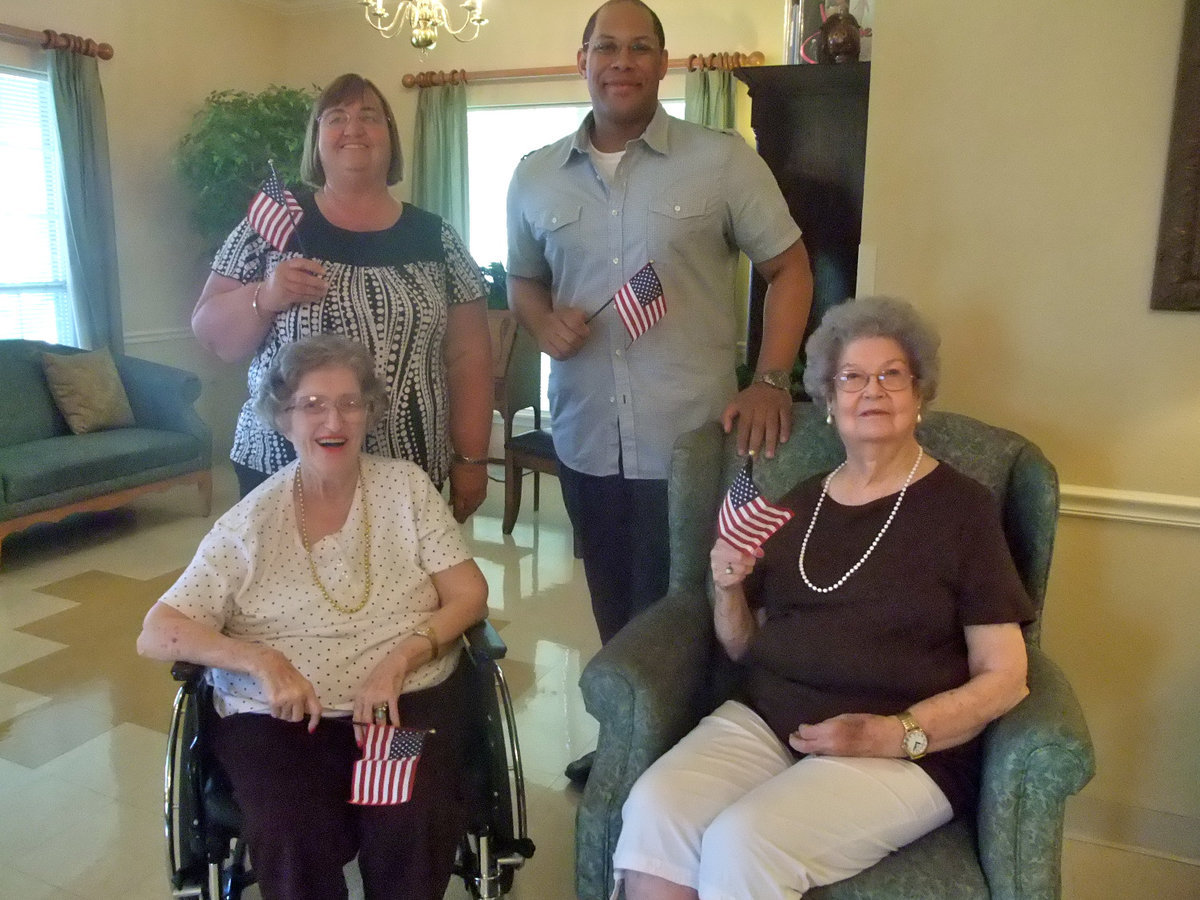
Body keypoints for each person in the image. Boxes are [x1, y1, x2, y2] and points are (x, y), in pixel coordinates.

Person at [613, 296, 1036, 899]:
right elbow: (741, 648)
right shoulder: (799, 503)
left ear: (919, 396)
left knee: (745, 842)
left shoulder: (962, 509)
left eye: (892, 375)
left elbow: (1007, 676)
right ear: (831, 403)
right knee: (656, 810)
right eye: (853, 378)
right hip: (768, 720)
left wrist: (893, 733)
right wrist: (728, 589)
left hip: (898, 751)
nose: (873, 391)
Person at [506, 0, 814, 650]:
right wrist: (540, 321)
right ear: (582, 61)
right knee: (613, 612)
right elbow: (523, 280)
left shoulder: (723, 161)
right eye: (607, 47)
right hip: (586, 438)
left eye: (640, 47)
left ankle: (679, 751)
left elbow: (790, 270)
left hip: (688, 444)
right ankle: (627, 744)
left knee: (691, 620)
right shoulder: (534, 175)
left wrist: (770, 379)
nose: (622, 61)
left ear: (663, 64)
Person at [137, 334, 488, 900]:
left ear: (369, 412)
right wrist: (259, 659)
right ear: (283, 417)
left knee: (406, 818)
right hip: (283, 719)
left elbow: (469, 595)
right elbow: (158, 630)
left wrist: (402, 657)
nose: (335, 419)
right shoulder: (252, 520)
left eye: (350, 402)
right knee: (294, 827)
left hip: (396, 706)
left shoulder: (406, 490)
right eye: (313, 404)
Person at [192, 73, 492, 522]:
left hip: (406, 475)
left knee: (400, 593)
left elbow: (470, 356)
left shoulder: (436, 236)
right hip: (280, 470)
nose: (353, 128)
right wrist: (266, 294)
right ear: (316, 141)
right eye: (336, 118)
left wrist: (472, 460)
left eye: (369, 117)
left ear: (390, 139)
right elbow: (213, 335)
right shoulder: (275, 224)